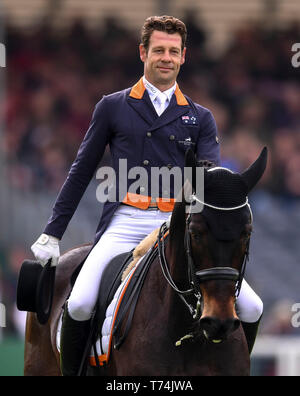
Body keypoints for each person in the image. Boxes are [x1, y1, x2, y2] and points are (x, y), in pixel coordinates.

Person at [31, 15, 262, 376]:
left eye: (173, 51)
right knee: (79, 303)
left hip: (177, 224)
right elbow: (80, 170)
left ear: (183, 56)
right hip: (126, 220)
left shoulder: (200, 117)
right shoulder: (113, 106)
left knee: (252, 306)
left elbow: (207, 183)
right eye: (158, 50)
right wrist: (52, 232)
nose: (166, 57)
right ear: (143, 52)